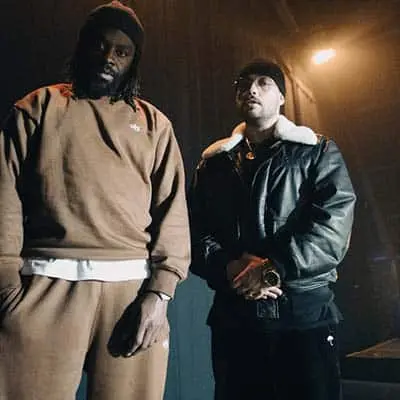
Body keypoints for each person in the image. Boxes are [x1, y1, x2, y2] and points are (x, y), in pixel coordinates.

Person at [0, 1, 190, 399]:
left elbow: (172, 213)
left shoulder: (155, 124)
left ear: (133, 61)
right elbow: (4, 199)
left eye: (122, 51)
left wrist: (159, 294)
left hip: (131, 292)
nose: (109, 58)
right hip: (46, 282)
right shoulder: (38, 107)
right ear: (83, 46)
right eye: (100, 45)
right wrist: (6, 288)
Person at [189, 59, 356, 400]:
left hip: (303, 316)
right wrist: (229, 267)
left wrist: (272, 268)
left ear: (281, 97)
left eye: (263, 82)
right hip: (236, 320)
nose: (251, 89)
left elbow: (333, 227)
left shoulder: (317, 151)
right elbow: (193, 230)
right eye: (244, 84)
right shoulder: (213, 164)